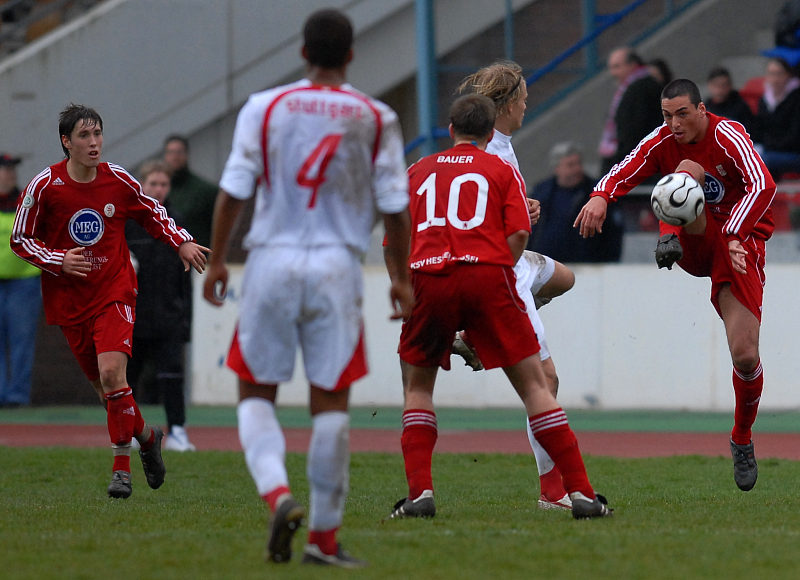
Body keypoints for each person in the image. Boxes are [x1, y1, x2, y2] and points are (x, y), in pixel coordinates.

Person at [202, 9, 413, 568]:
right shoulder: (375, 116)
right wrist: (400, 277)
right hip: (336, 267)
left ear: (302, 53)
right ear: (351, 55)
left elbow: (234, 191)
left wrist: (218, 260)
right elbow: (396, 208)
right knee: (331, 401)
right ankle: (324, 538)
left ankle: (278, 494)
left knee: (255, 392)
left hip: (270, 261)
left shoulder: (264, 107)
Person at [390, 93, 612, 521]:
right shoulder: (499, 168)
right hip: (488, 277)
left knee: (417, 388)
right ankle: (582, 495)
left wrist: (400, 281)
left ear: (450, 130)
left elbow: (395, 234)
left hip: (430, 279)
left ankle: (420, 495)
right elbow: (520, 233)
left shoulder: (417, 170)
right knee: (536, 387)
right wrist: (499, 273)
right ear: (490, 132)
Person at [574, 79, 776, 492]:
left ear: (702, 109)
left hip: (738, 244)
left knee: (745, 355)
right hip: (694, 239)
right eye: (667, 116)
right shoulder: (663, 138)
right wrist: (600, 195)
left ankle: (741, 438)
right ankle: (668, 234)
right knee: (687, 170)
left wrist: (734, 233)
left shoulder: (728, 134)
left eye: (682, 113)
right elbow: (627, 166)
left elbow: (764, 185)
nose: (674, 124)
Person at [10, 104, 209, 499]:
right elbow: (20, 239)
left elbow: (153, 213)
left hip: (114, 290)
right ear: (66, 142)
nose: (94, 142)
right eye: (84, 135)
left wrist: (181, 242)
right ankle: (148, 437)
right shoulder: (44, 186)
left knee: (114, 375)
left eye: (97, 133)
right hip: (70, 301)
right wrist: (58, 259)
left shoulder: (117, 179)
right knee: (108, 393)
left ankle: (121, 471)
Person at [453, 61, 577, 510]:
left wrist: (522, 206)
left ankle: (479, 331)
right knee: (546, 380)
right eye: (523, 98)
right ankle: (552, 491)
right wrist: (521, 215)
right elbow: (490, 223)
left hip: (516, 261)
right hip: (502, 268)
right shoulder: (493, 153)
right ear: (506, 105)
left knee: (564, 278)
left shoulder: (499, 145)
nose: (527, 104)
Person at [126, 160, 195, 452]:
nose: (158, 189)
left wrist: (185, 318)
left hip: (168, 315)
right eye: (153, 184)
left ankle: (177, 430)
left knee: (172, 376)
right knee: (128, 377)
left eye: (163, 184)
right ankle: (128, 430)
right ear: (142, 185)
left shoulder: (178, 223)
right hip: (134, 315)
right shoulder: (128, 223)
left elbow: (186, 278)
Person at [530, 141, 623, 263]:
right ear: (557, 168)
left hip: (588, 264)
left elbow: (613, 232)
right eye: (570, 165)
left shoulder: (597, 193)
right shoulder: (542, 191)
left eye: (579, 163)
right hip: (546, 263)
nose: (577, 169)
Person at [0, 153, 41, 407]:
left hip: (23, 282)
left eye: (12, 170)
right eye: (5, 170)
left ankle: (17, 396)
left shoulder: (26, 202)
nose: (10, 174)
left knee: (22, 341)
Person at [599, 47, 664, 174]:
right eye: (611, 67)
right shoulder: (631, 88)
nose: (613, 73)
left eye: (617, 67)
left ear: (632, 65)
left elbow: (634, 129)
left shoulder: (641, 89)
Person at [162, 134, 218, 248]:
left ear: (186, 155)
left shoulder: (205, 191)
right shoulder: (157, 191)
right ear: (165, 156)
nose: (175, 157)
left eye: (179, 152)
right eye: (171, 152)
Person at [750, 57, 800, 179]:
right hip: (770, 150)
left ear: (788, 75)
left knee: (760, 160)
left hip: (793, 152)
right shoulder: (765, 99)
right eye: (771, 74)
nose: (775, 79)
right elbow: (759, 129)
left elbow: (795, 136)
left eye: (779, 74)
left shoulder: (796, 98)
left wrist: (768, 145)